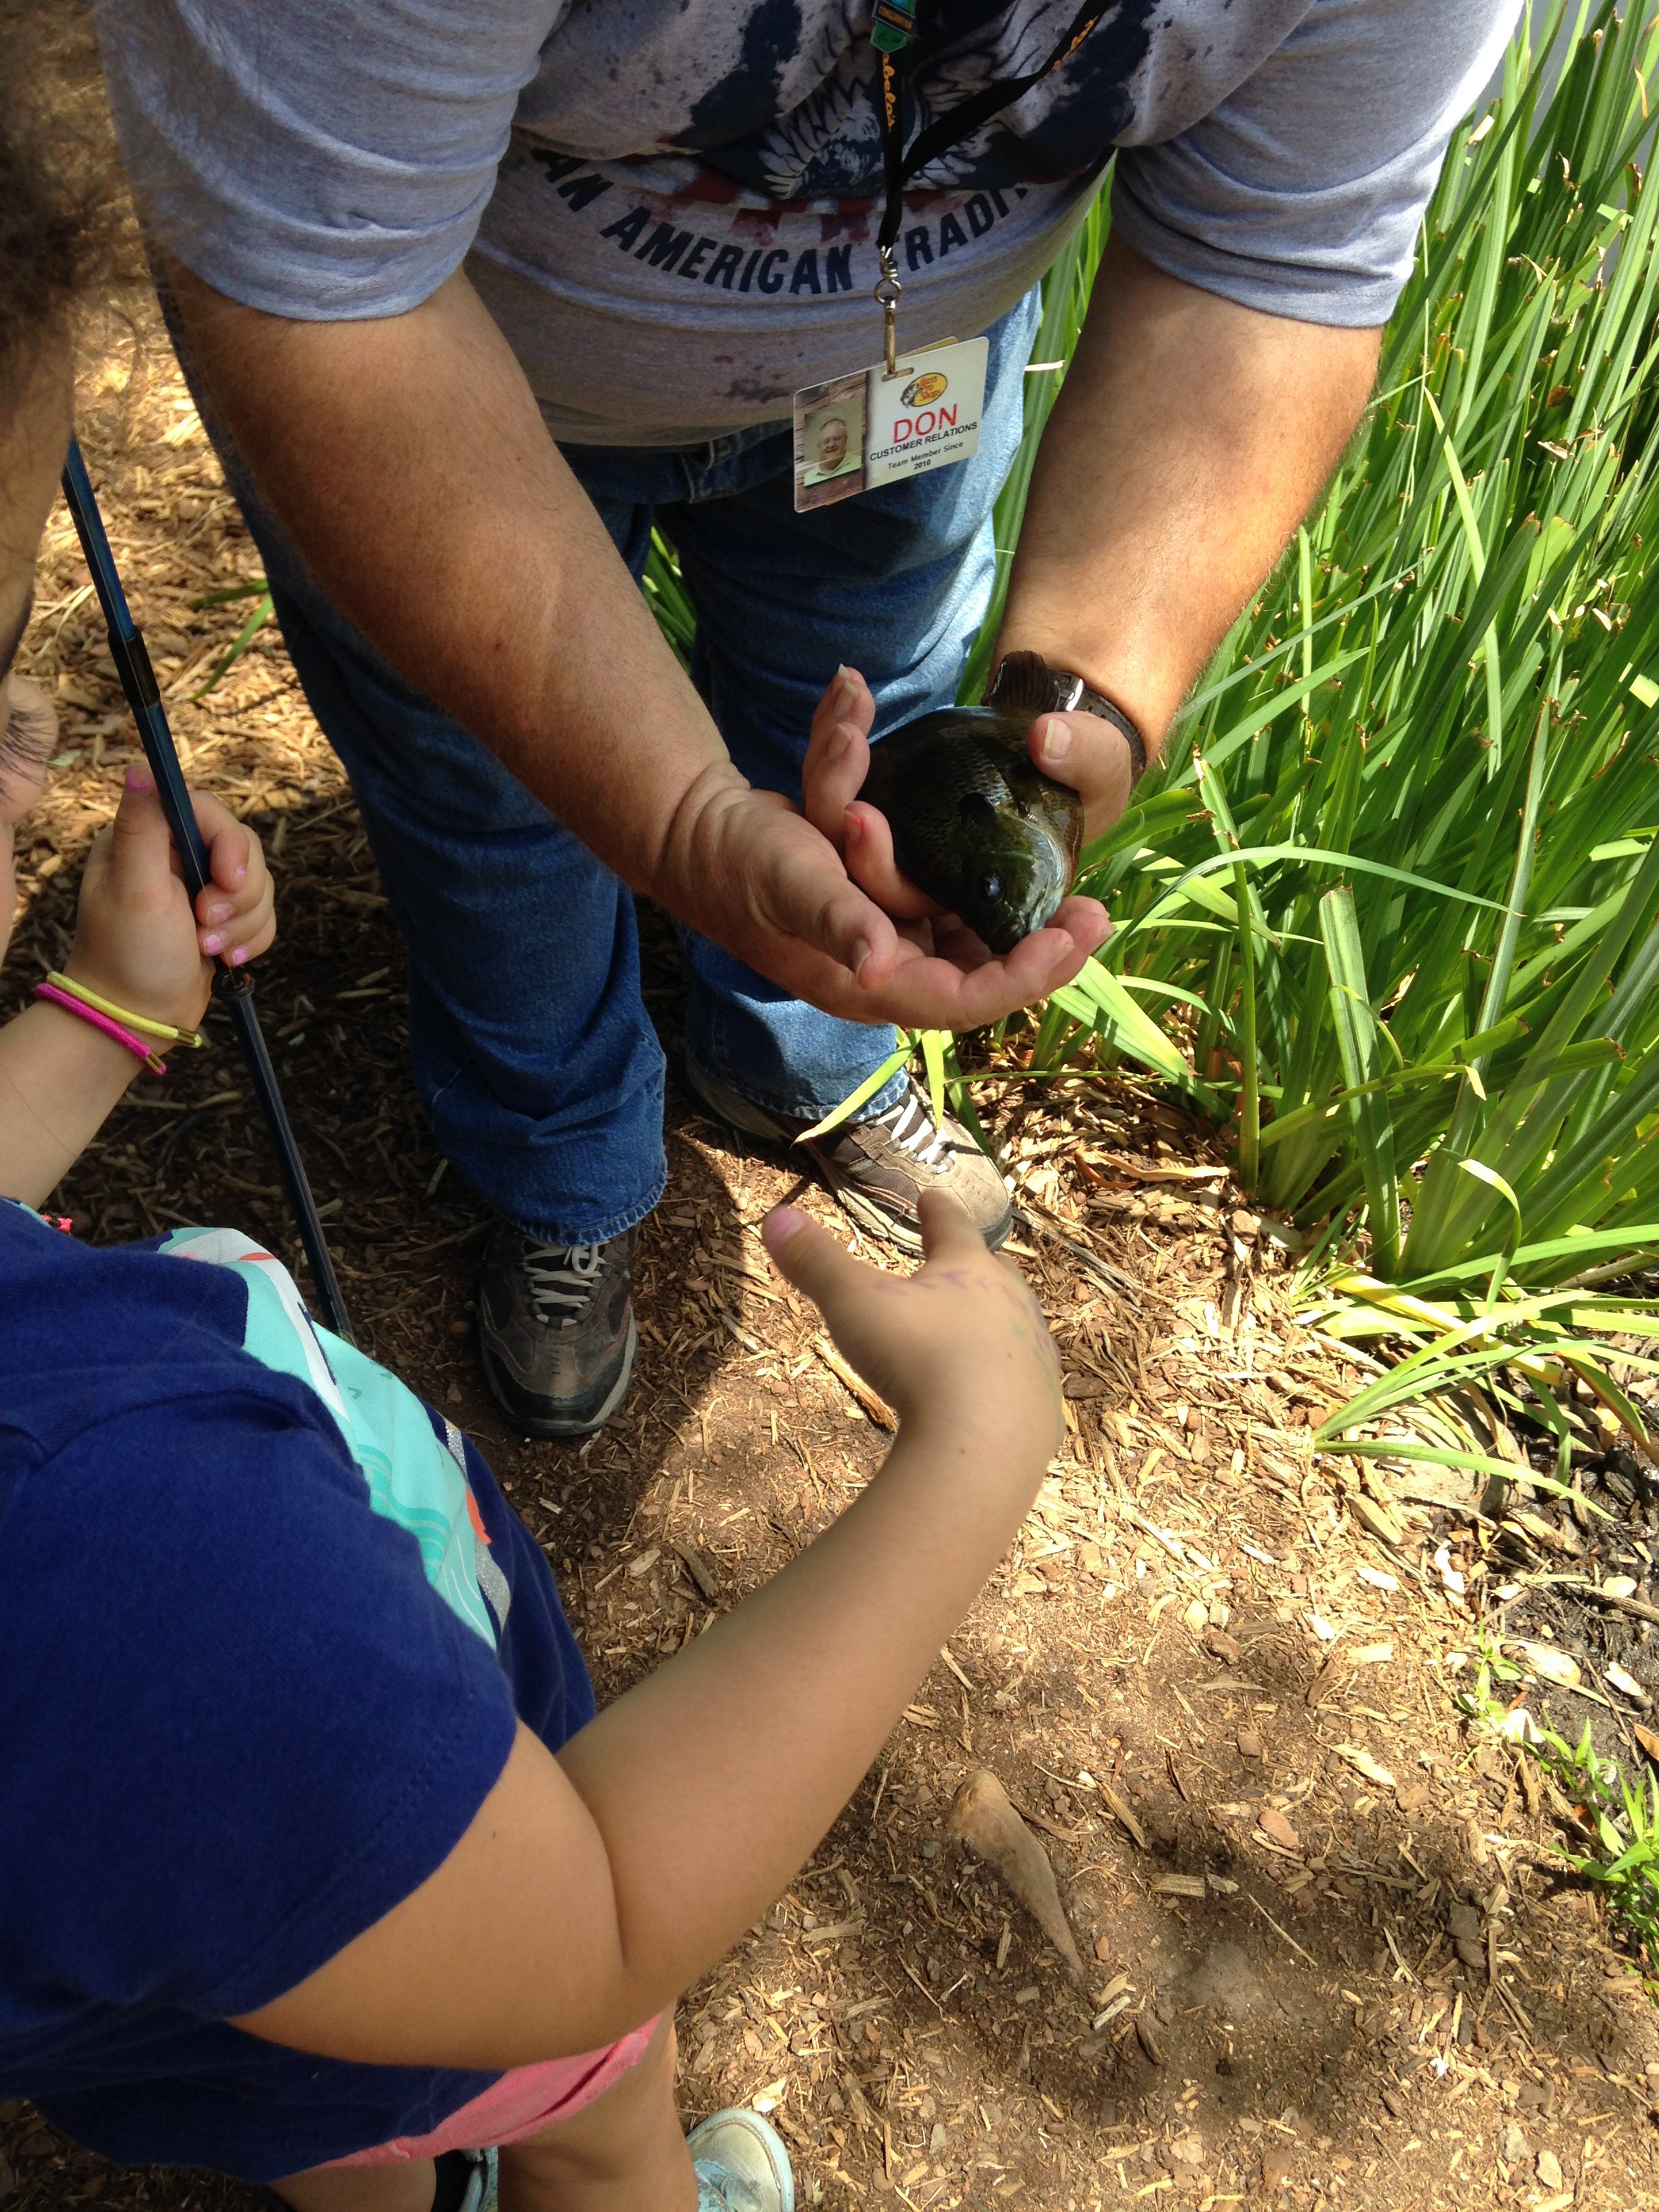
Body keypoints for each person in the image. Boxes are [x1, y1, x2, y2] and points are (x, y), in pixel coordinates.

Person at [0, 18, 1066, 2207]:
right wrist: (975, 1452)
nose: (32, 768)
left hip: (224, 1973)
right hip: (426, 1884)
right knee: (562, 2076)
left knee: (333, 2118)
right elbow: (580, 1915)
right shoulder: (108, 1568)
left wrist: (105, 1019)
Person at [91, 0, 1519, 1440]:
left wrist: (1081, 704)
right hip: (438, 367)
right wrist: (684, 824)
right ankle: (564, 1172)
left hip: (903, 387)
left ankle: (804, 1061)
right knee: (492, 821)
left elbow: (1270, 260)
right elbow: (324, 290)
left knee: (871, 729)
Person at [801, 415, 859, 488]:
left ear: (845, 441)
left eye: (837, 439)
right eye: (826, 441)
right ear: (819, 446)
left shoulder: (860, 463)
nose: (831, 445)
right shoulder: (807, 478)